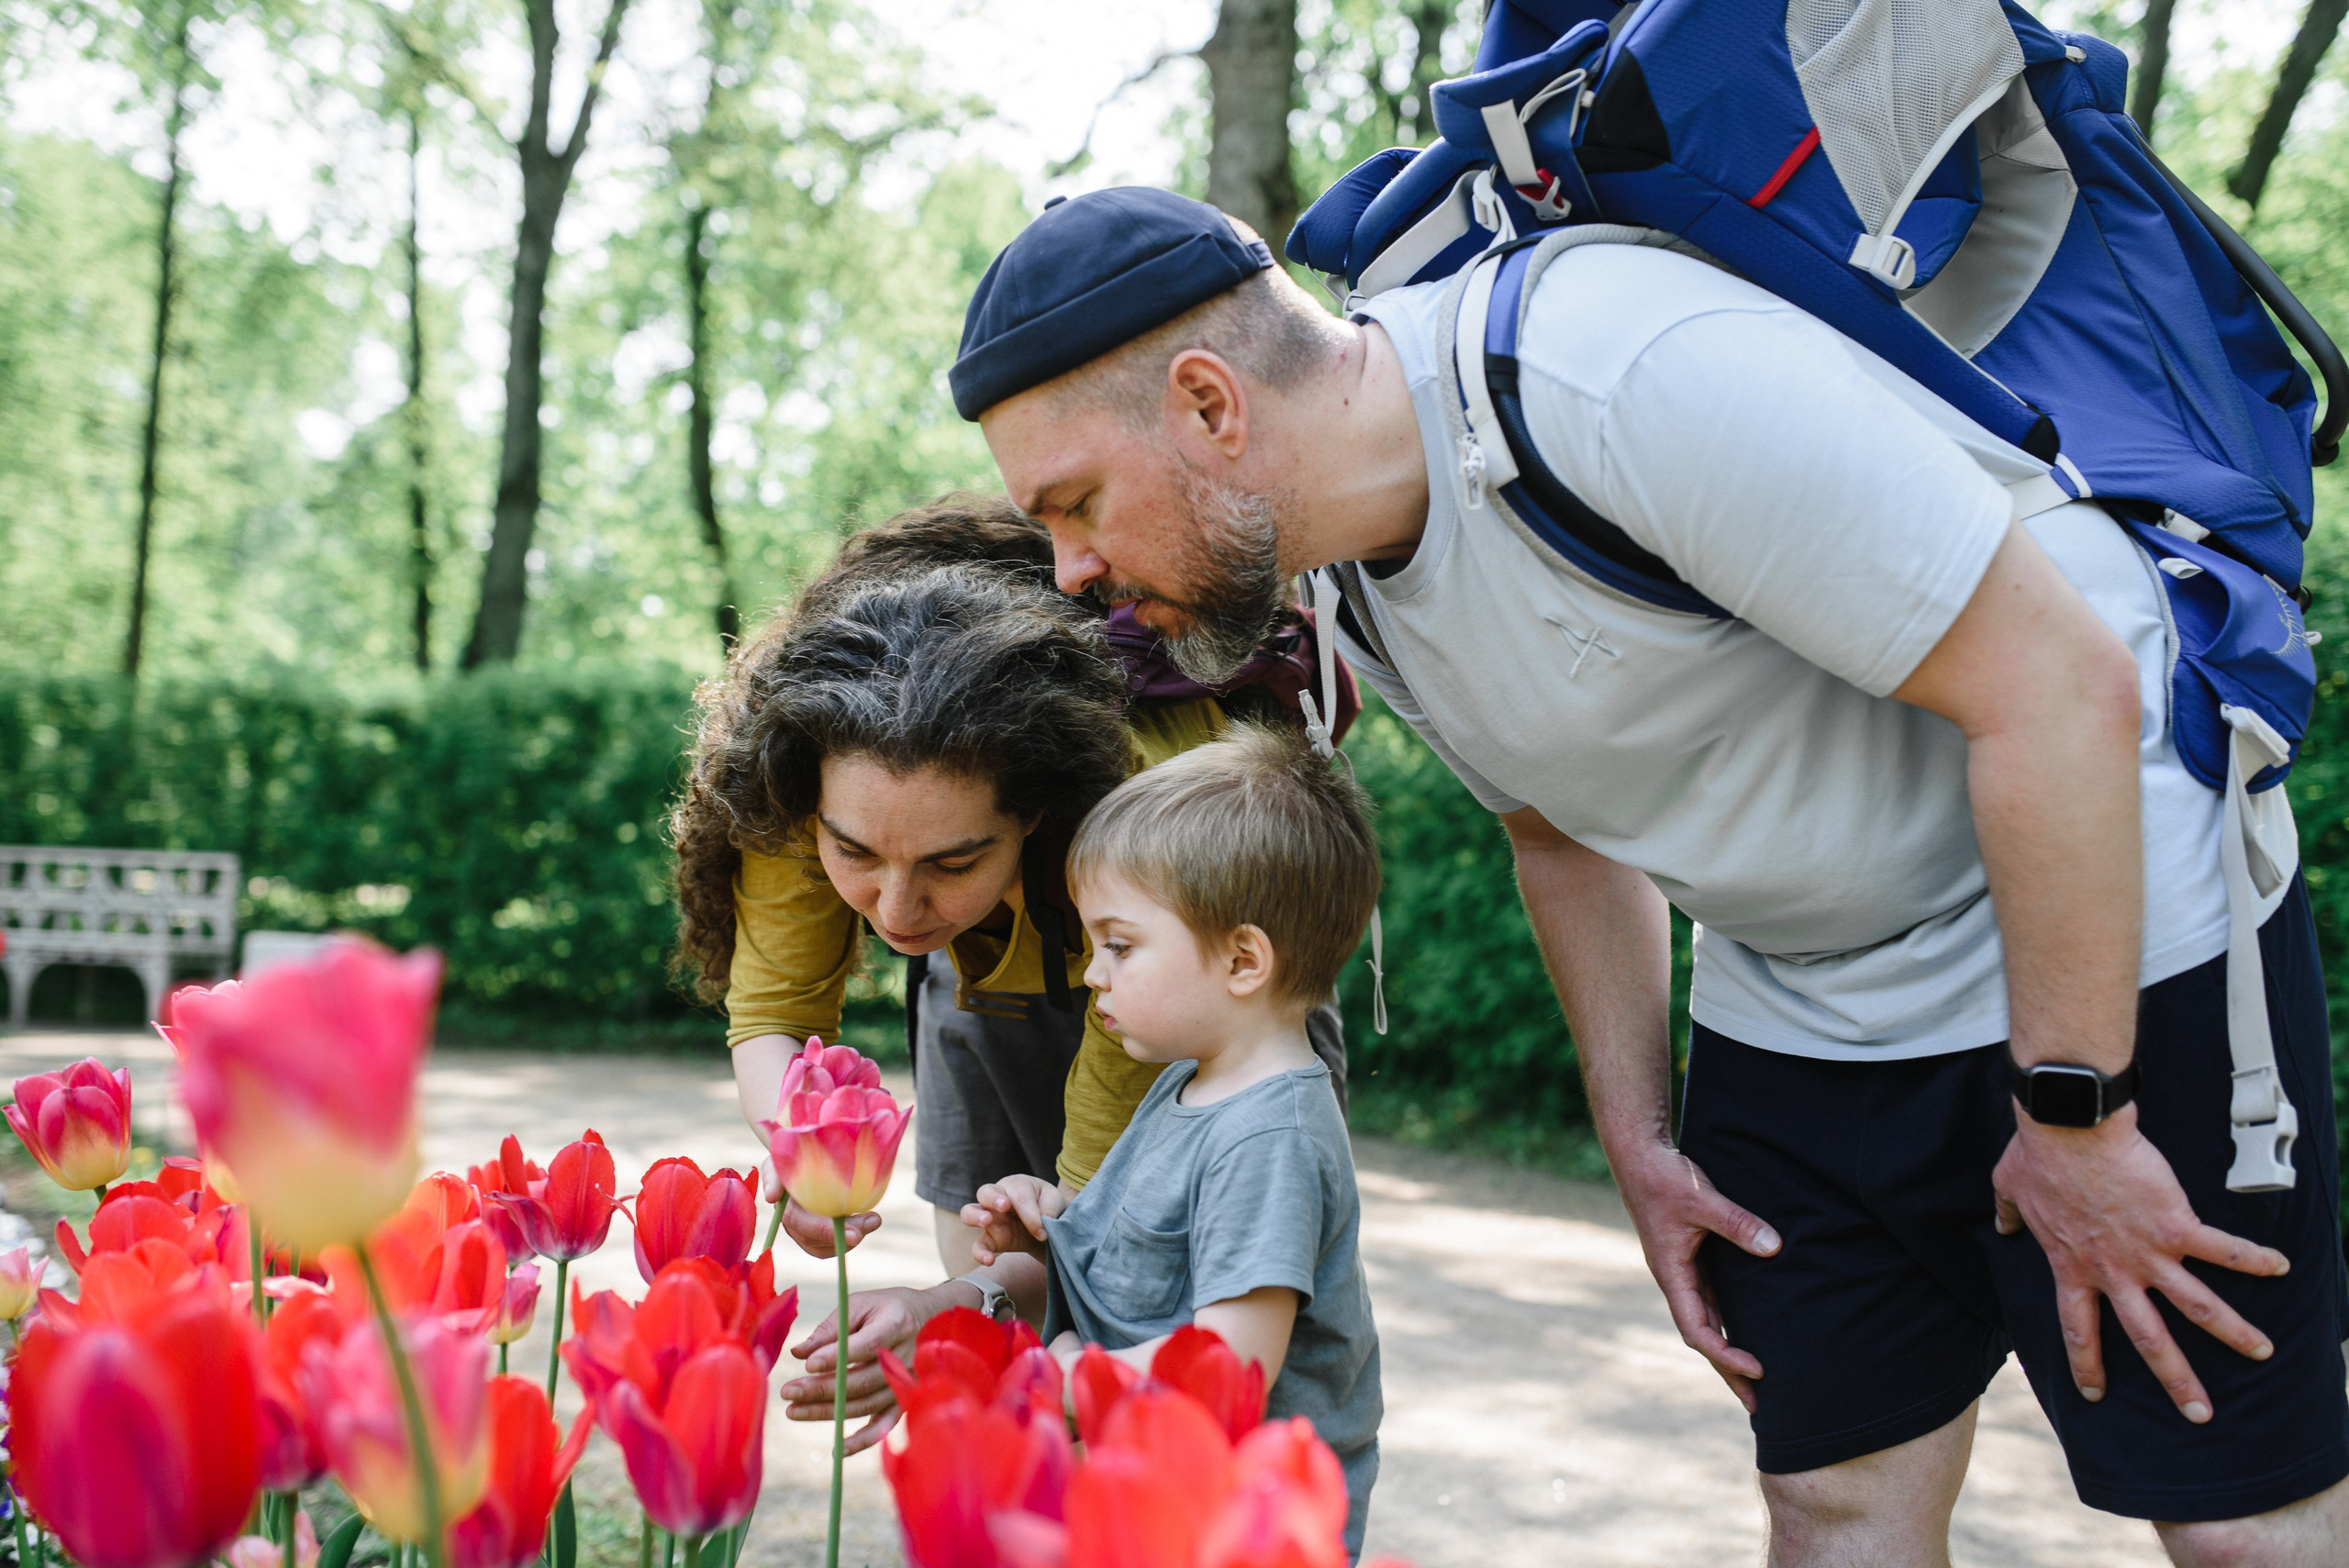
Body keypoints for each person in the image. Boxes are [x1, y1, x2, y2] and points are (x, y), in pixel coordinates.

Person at [944, 186, 2349, 1564]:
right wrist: (1640, 1137)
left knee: (2237, 1516)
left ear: (1209, 403)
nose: (1068, 570)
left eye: (1075, 505)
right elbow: (1559, 832)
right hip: (1799, 993)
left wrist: (2079, 1115)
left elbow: (2062, 690)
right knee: (1834, 1502)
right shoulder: (1343, 581)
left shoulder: (1608, 370)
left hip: (2114, 916)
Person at [670, 494, 1353, 1273]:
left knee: (1181, 1295)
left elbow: (1087, 1220)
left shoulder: (1136, 804)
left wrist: (1055, 1239)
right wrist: (810, 1156)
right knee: (986, 1318)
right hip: (992, 972)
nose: (896, 912)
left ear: (1034, 813)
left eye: (951, 862)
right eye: (855, 853)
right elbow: (772, 1013)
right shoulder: (797, 760)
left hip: (1199, 988)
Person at [788, 723, 1386, 1554]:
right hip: (1152, 1500)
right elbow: (1130, 1279)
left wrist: (1058, 1377)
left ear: (1244, 959)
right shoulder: (1188, 1085)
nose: (1091, 971)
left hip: (1238, 1525)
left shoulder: (1268, 1137)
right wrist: (1051, 1229)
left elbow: (1228, 1366)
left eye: (1119, 944)